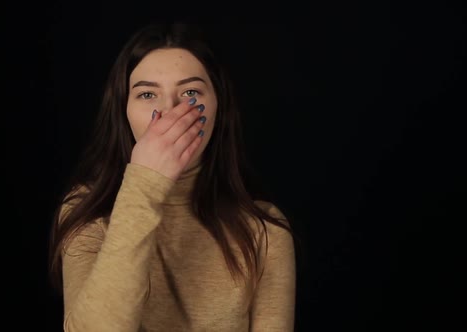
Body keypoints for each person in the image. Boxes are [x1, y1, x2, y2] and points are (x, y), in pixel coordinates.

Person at [48, 22, 297, 331]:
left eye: (191, 92)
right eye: (147, 94)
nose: (168, 111)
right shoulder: (86, 212)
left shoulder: (264, 230)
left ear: (219, 106)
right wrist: (145, 183)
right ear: (123, 111)